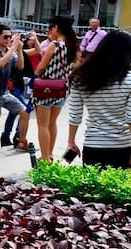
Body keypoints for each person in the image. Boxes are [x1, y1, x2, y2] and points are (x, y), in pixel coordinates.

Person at [67, 30, 131, 168]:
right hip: (123, 147)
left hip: (93, 145)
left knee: (91, 188)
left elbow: (75, 115)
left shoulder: (80, 77)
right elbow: (130, 119)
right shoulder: (129, 79)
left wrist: (71, 142)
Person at [33, 16, 79, 161]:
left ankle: (45, 157)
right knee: (52, 123)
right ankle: (50, 153)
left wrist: (35, 75)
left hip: (46, 88)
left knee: (42, 125)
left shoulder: (55, 45)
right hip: (62, 89)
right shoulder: (73, 45)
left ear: (56, 28)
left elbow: (41, 67)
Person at [0, 25, 31, 156]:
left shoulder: (10, 51)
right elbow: (1, 63)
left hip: (5, 93)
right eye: (6, 36)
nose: (9, 39)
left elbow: (20, 66)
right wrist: (13, 48)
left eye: (10, 36)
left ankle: (22, 140)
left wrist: (19, 50)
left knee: (25, 113)